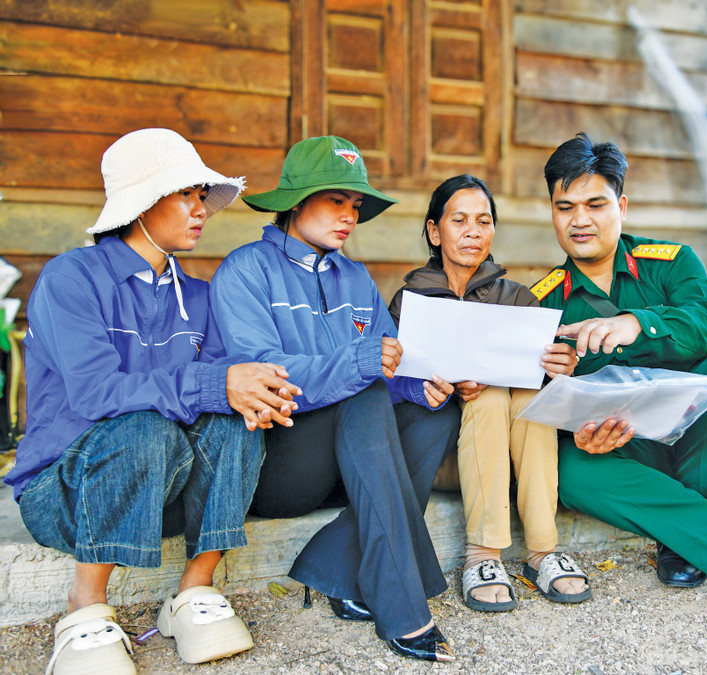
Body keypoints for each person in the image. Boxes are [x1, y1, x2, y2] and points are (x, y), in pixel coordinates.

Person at [4, 128, 301, 674]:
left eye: (201, 197)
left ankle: (194, 592)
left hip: (164, 488)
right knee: (144, 426)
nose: (201, 210)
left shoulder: (202, 296)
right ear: (141, 204)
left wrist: (259, 396)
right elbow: (96, 394)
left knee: (238, 419)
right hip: (66, 490)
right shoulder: (71, 278)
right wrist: (216, 385)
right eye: (186, 194)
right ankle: (85, 606)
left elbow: (219, 390)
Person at [209, 136, 460, 662]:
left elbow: (392, 366)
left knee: (435, 413)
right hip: (280, 464)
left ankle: (338, 564)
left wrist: (421, 385)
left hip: (354, 462)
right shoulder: (245, 270)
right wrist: (364, 366)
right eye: (335, 200)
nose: (349, 216)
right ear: (296, 203)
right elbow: (266, 379)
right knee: (363, 393)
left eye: (355, 205)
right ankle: (401, 605)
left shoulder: (354, 275)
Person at [533, 132, 707, 603]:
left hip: (698, 432)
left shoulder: (672, 263)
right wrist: (579, 430)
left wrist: (638, 323)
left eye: (595, 204)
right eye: (565, 206)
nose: (580, 220)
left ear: (622, 206)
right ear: (551, 211)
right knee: (570, 470)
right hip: (629, 446)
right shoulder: (543, 303)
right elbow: (549, 406)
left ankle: (683, 535)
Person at [388, 174, 591, 612]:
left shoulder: (517, 298)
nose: (472, 231)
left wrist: (561, 370)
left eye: (483, 221)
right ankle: (483, 552)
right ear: (433, 230)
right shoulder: (412, 301)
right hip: (444, 452)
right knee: (488, 396)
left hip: (515, 451)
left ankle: (542, 550)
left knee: (516, 395)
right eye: (459, 220)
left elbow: (551, 383)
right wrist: (439, 386)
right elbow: (389, 382)